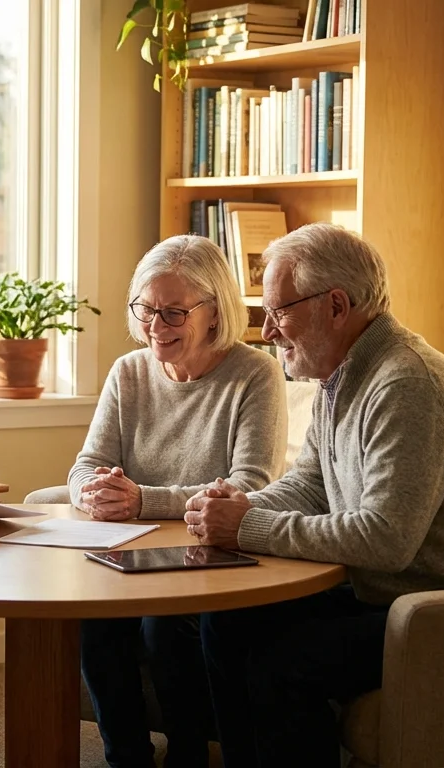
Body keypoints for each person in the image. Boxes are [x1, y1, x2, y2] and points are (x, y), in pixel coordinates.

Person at [185, 223, 444, 768]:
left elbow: (386, 538)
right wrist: (236, 508)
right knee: (226, 620)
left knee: (283, 664)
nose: (269, 332)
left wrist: (245, 528)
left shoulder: (406, 384)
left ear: (335, 305)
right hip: (398, 597)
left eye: (280, 312)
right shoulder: (341, 374)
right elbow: (310, 482)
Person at [72, 234, 287, 768]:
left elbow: (250, 486)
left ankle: (188, 753)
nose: (155, 326)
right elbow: (83, 465)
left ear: (214, 313)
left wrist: (143, 500)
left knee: (163, 625)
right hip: (128, 549)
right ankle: (126, 756)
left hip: (209, 557)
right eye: (145, 309)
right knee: (94, 618)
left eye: (173, 312)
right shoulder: (129, 371)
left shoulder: (254, 373)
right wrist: (93, 492)